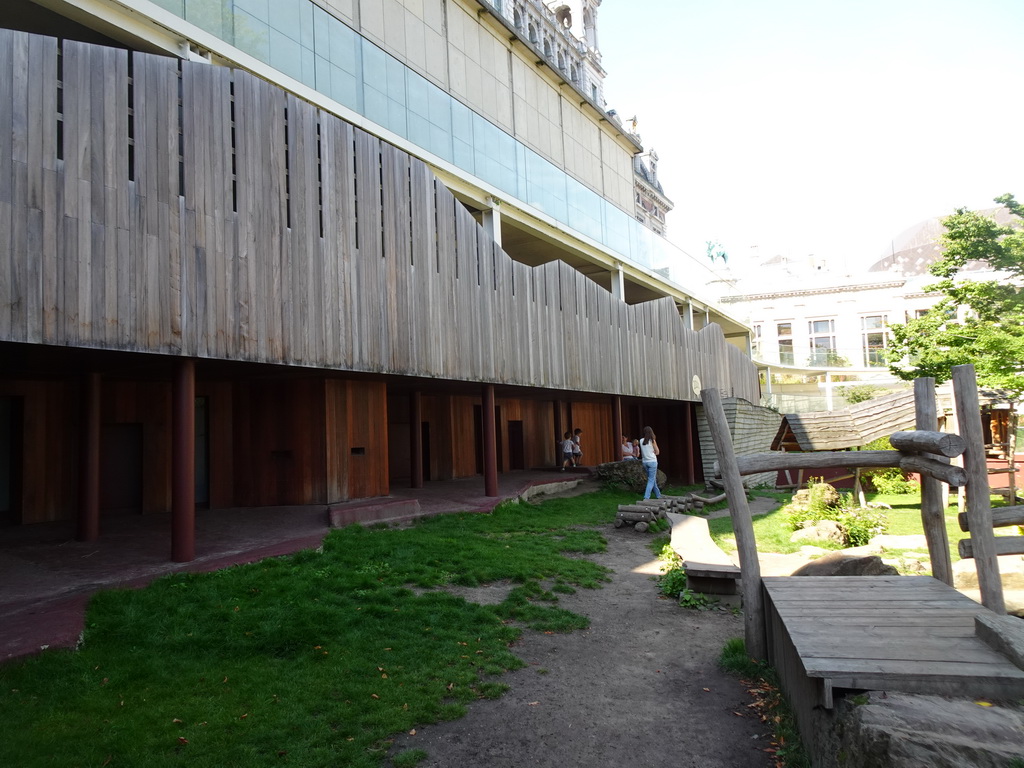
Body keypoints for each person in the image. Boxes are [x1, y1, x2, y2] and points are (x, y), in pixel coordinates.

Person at [639, 425, 661, 500]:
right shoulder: (652, 440)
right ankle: (646, 497)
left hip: (645, 462)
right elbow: (657, 452)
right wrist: (653, 452)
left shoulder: (641, 440)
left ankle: (658, 495)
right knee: (651, 480)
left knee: (652, 479)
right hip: (652, 462)